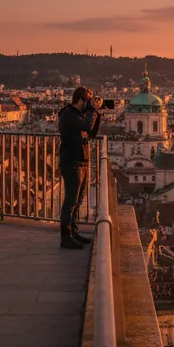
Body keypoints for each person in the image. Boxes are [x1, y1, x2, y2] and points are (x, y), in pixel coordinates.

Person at [57, 86, 100, 249]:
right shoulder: (68, 114)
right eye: (88, 101)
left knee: (78, 200)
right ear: (81, 100)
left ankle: (73, 232)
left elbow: (92, 132)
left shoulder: (79, 116)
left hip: (81, 161)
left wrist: (97, 113)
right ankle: (65, 236)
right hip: (72, 162)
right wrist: (92, 110)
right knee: (71, 201)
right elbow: (87, 126)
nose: (89, 105)